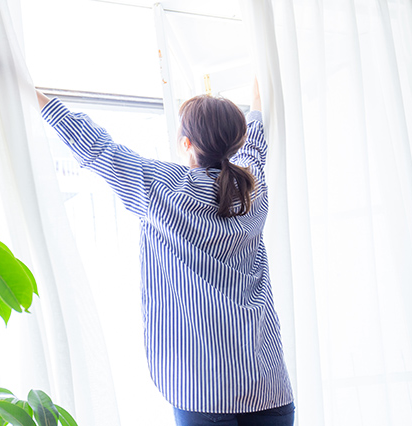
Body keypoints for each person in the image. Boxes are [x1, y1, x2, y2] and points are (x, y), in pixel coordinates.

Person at [36, 79, 295, 426]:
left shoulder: (163, 189)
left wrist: (34, 97)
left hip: (204, 389)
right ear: (238, 140)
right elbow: (255, 147)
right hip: (269, 386)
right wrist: (258, 105)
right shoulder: (253, 189)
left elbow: (99, 149)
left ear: (186, 143)